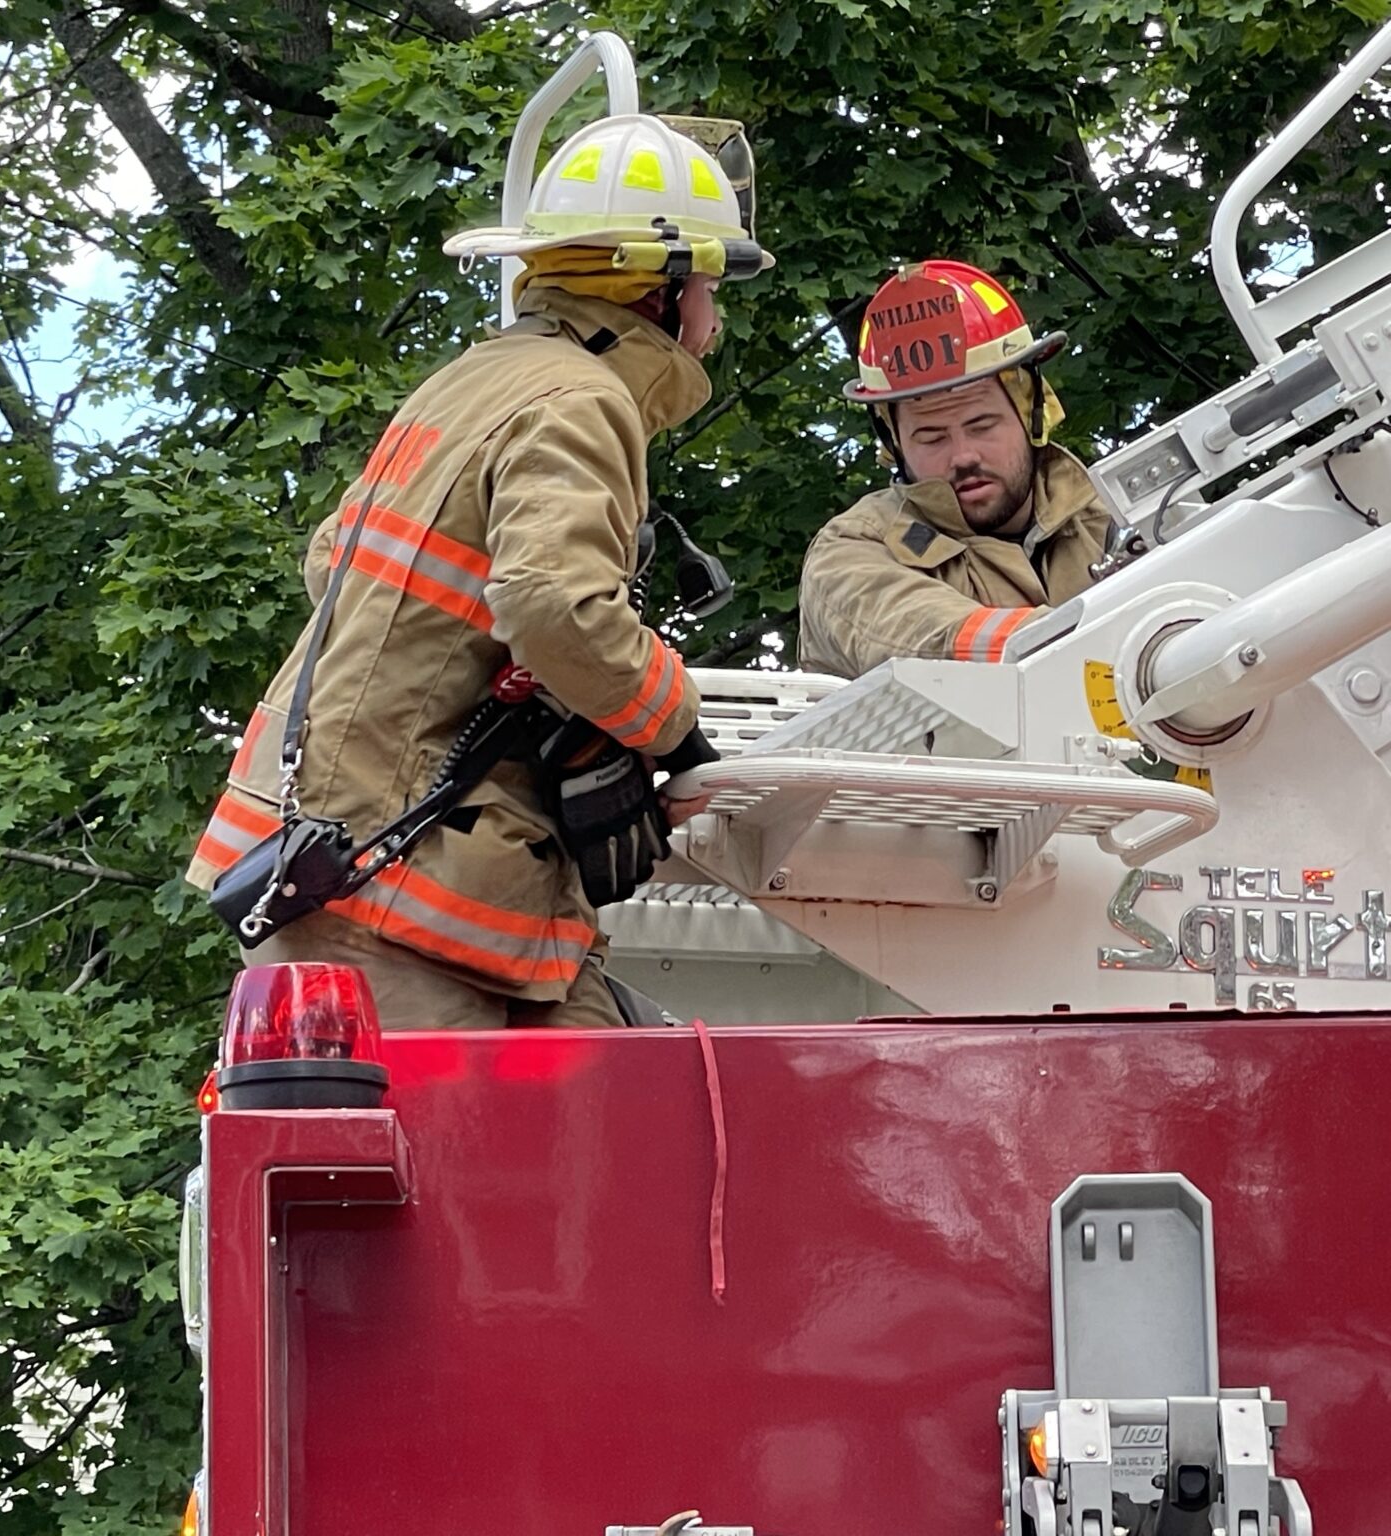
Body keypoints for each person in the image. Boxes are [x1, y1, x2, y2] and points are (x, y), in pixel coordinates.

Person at [186, 113, 773, 1028]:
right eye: (708, 285)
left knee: (608, 1088)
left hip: (329, 848)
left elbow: (331, 561)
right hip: (396, 884)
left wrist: (547, 705)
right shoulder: (584, 400)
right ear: (656, 292)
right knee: (472, 1159)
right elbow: (556, 610)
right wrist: (672, 726)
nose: (715, 318)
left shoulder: (469, 380)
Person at [797, 261, 1112, 679]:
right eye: (931, 437)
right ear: (894, 443)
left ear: (1031, 412)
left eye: (981, 425)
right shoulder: (852, 551)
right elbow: (928, 640)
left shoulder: (1111, 514)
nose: (962, 455)